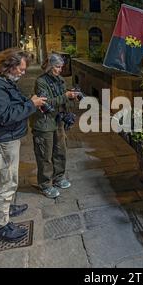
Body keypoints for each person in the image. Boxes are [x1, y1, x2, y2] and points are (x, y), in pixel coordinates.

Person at [0, 48, 47, 242]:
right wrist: (31, 105)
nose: (23, 73)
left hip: (4, 138)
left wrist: (30, 102)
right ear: (9, 66)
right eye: (21, 69)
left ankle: (5, 208)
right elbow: (5, 116)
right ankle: (1, 227)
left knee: (7, 179)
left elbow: (8, 106)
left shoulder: (1, 81)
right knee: (3, 182)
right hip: (1, 140)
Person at [31, 53, 79, 199]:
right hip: (44, 122)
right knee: (45, 155)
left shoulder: (60, 80)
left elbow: (62, 99)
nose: (60, 70)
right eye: (57, 67)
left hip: (58, 120)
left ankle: (58, 178)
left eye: (61, 67)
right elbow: (45, 103)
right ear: (50, 67)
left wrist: (72, 96)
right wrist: (66, 96)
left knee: (60, 150)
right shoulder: (41, 82)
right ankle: (45, 185)